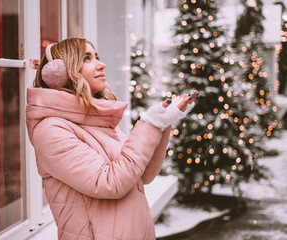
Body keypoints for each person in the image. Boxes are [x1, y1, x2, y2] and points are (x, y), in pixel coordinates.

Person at [26, 37, 198, 240]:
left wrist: (164, 123)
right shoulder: (51, 130)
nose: (101, 64)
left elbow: (143, 175)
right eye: (87, 58)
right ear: (61, 74)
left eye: (96, 56)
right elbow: (110, 183)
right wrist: (151, 124)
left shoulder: (95, 120)